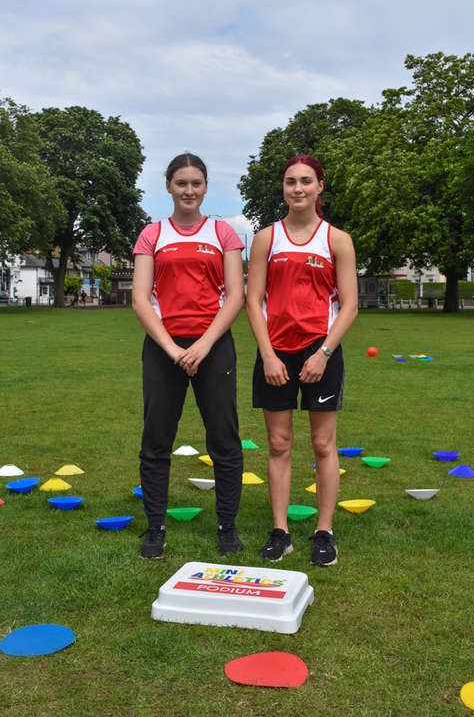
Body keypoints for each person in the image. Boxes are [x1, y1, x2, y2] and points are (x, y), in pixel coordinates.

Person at [246, 154, 358, 566]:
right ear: (283, 188)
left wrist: (324, 353)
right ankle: (281, 532)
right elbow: (253, 301)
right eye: (291, 181)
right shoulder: (265, 238)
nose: (298, 188)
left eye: (306, 181)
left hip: (321, 354)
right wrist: (268, 355)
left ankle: (324, 533)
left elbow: (349, 306)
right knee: (278, 443)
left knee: (324, 444)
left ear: (320, 187)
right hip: (276, 354)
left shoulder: (337, 239)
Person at [132, 153, 245, 559]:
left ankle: (227, 528)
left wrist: (202, 345)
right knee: (156, 440)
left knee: (224, 440)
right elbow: (141, 298)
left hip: (213, 347)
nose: (189, 190)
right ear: (168, 187)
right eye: (181, 183)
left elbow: (236, 295)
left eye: (196, 183)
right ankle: (155, 529)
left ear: (206, 187)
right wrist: (172, 348)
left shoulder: (223, 233)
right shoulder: (152, 234)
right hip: (164, 347)